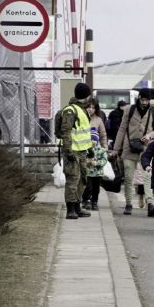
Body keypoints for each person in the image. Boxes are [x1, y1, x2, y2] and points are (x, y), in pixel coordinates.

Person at [113, 88, 154, 216]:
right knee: (128, 177)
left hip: (146, 148)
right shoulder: (130, 109)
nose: (144, 102)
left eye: (146, 100)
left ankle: (150, 203)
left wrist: (150, 135)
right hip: (129, 147)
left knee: (147, 176)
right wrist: (116, 149)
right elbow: (122, 129)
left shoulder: (153, 110)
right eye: (142, 99)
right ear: (139, 98)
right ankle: (128, 203)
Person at [60, 83, 93, 219]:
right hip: (72, 152)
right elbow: (66, 131)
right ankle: (70, 209)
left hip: (82, 151)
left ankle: (77, 206)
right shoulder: (71, 110)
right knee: (73, 180)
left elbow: (84, 133)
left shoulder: (82, 110)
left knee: (82, 179)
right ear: (85, 96)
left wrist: (90, 149)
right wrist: (68, 151)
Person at [81, 97, 108, 210]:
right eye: (89, 107)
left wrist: (105, 148)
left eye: (93, 107)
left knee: (96, 185)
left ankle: (94, 201)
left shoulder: (98, 120)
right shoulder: (81, 117)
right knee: (87, 183)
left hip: (96, 151)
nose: (91, 109)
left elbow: (103, 135)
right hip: (84, 150)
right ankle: (85, 199)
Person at [82, 129, 109, 211]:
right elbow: (82, 158)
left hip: (98, 173)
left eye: (94, 139)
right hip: (88, 172)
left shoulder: (101, 150)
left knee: (96, 188)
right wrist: (86, 161)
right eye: (91, 139)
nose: (92, 141)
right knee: (88, 187)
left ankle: (94, 202)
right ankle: (86, 200)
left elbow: (104, 160)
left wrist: (96, 163)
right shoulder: (86, 149)